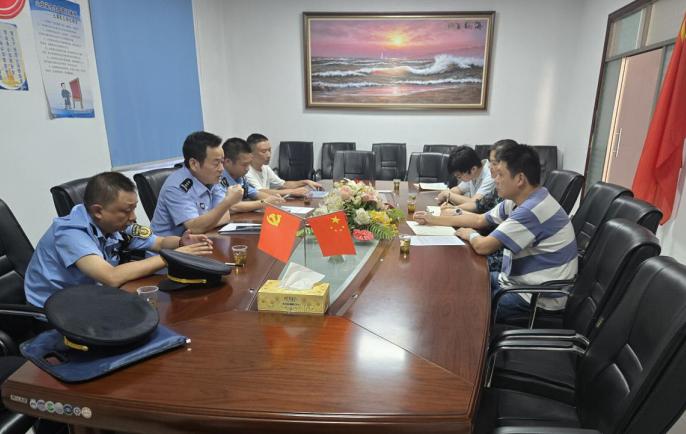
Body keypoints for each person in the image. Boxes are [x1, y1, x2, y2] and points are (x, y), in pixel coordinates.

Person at [420, 144, 577, 322]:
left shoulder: (531, 210)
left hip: (536, 299)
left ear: (520, 179)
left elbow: (483, 246)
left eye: (500, 174)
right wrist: (433, 219)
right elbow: (479, 220)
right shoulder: (520, 199)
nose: (495, 179)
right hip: (515, 282)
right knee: (462, 280)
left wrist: (470, 234)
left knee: (463, 304)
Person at [24, 172, 213, 308]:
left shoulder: (117, 225)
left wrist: (181, 243)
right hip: (54, 311)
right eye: (126, 210)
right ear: (98, 211)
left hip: (91, 297)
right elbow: (111, 277)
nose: (133, 217)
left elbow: (159, 243)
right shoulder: (71, 233)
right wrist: (172, 257)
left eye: (134, 208)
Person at [152, 131, 244, 236]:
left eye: (222, 162)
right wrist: (227, 202)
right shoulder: (176, 187)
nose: (221, 169)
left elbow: (225, 216)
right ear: (194, 164)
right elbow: (194, 228)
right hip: (172, 245)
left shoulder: (211, 178)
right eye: (216, 163)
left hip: (203, 237)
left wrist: (205, 223)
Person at [220, 137, 285, 212]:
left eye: (249, 164)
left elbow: (255, 193)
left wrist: (274, 199)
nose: (248, 168)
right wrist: (264, 203)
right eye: (244, 165)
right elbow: (231, 206)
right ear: (228, 162)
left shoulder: (240, 177)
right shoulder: (217, 178)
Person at [244, 133, 322, 196]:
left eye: (269, 150)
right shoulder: (246, 171)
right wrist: (292, 192)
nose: (268, 155)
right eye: (264, 151)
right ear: (251, 153)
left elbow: (283, 184)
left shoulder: (265, 167)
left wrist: (306, 182)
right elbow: (260, 192)